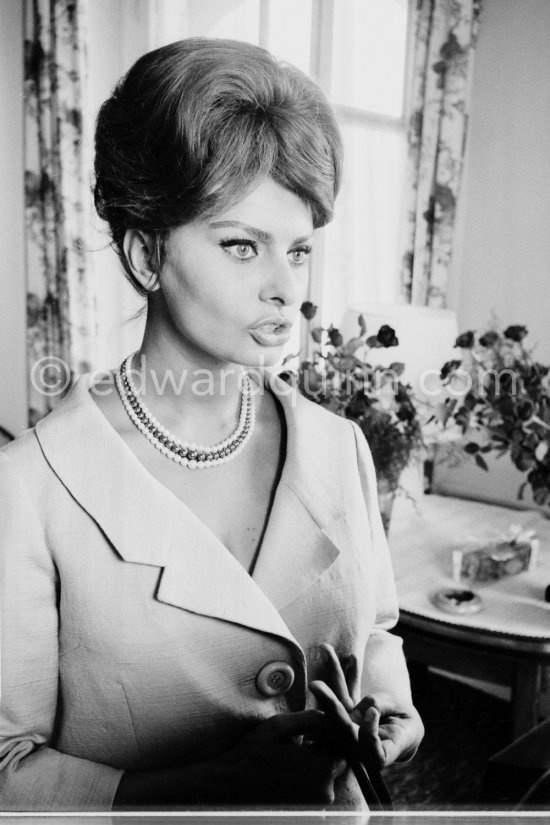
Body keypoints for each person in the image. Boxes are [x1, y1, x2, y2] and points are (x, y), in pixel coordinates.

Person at [0, 38, 423, 811]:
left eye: (298, 249)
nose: (286, 289)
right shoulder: (29, 485)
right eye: (241, 245)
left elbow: (379, 631)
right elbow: (6, 766)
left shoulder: (341, 447)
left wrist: (391, 707)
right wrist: (199, 789)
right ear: (144, 252)